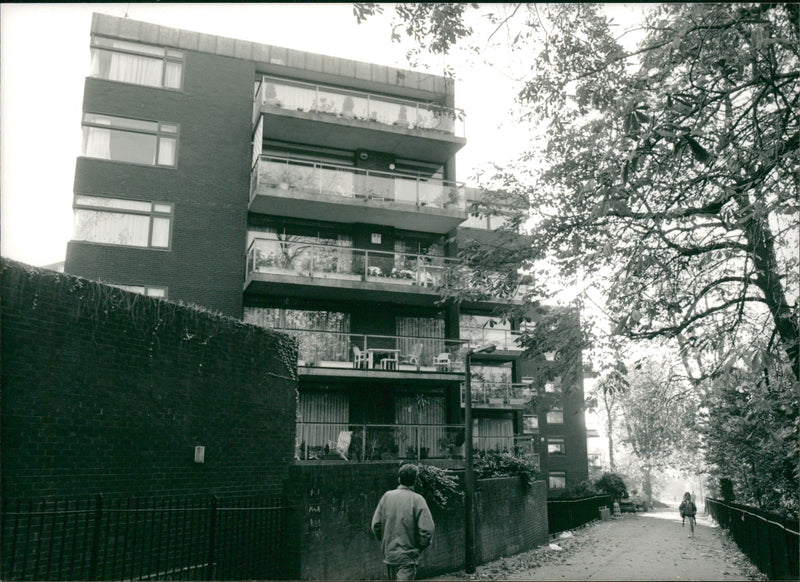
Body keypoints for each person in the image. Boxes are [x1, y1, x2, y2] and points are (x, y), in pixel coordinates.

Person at [371, 464, 435, 581]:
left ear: (399, 479)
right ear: (415, 480)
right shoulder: (417, 500)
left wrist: (385, 540)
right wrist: (419, 547)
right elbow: (426, 530)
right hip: (408, 555)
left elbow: (376, 525)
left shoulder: (387, 496)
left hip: (389, 554)